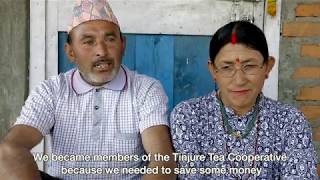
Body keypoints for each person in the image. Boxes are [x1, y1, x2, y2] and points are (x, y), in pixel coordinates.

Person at [0, 0, 176, 179]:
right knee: (7, 156)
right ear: (70, 52)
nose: (101, 51)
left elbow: (162, 160)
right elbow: (13, 147)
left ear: (123, 45)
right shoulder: (51, 90)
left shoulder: (145, 89)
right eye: (88, 42)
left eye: (110, 39)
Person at [170, 21, 318, 179]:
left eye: (250, 66)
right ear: (213, 70)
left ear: (267, 66)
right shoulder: (189, 116)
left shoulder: (291, 121)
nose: (239, 80)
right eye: (227, 67)